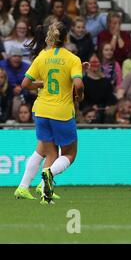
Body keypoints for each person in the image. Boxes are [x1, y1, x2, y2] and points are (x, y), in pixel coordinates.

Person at [14, 21, 84, 204]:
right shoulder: (71, 58)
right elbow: (77, 83)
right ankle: (47, 177)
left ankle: (31, 188)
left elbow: (25, 84)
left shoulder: (42, 57)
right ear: (66, 37)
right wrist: (80, 95)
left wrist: (42, 84)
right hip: (61, 112)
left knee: (44, 150)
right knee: (68, 153)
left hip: (41, 110)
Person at [80, 53, 117, 123]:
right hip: (87, 111)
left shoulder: (106, 81)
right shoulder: (83, 81)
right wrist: (90, 107)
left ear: (100, 64)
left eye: (96, 62)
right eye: (92, 63)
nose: (94, 65)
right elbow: (81, 100)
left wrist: (108, 106)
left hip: (103, 112)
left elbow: (110, 99)